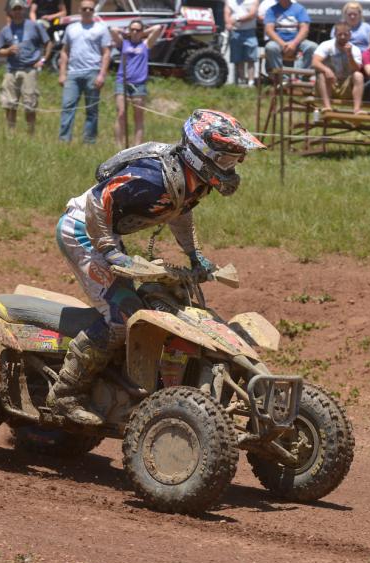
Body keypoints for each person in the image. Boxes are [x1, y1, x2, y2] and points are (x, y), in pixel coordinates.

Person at [49, 109, 265, 425]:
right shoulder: (151, 177)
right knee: (123, 316)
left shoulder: (193, 180)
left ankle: (131, 383)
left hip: (105, 231)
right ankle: (65, 395)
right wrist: (110, 252)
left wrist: (195, 256)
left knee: (164, 303)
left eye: (235, 161)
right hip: (82, 230)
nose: (232, 169)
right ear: (204, 155)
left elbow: (179, 212)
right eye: (227, 161)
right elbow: (98, 202)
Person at [58, 0, 111, 144]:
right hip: (73, 73)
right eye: (84, 8)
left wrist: (102, 74)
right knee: (67, 106)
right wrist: (62, 73)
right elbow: (64, 51)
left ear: (94, 11)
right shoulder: (71, 28)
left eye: (90, 9)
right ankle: (64, 140)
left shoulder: (101, 28)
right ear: (80, 10)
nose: (87, 11)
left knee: (91, 109)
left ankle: (89, 141)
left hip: (93, 72)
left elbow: (106, 53)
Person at [0, 0, 48, 135]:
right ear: (11, 12)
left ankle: (30, 134)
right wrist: (8, 51)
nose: (17, 11)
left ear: (24, 10)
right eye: (15, 9)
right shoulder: (5, 30)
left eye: (20, 9)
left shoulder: (34, 26)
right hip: (11, 70)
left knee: (29, 104)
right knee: (9, 104)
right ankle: (11, 134)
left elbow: (48, 43)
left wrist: (43, 60)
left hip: (29, 70)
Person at [110, 20, 163, 146]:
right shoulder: (124, 43)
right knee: (121, 113)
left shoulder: (146, 44)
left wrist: (143, 33)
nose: (134, 32)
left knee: (138, 116)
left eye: (137, 30)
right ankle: (118, 145)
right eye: (132, 29)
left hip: (139, 84)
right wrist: (126, 33)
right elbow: (112, 30)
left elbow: (158, 28)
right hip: (122, 82)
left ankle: (137, 146)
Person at [313, 22, 363, 115]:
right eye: (340, 34)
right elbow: (315, 62)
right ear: (335, 34)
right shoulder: (326, 45)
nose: (343, 37)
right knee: (321, 73)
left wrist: (349, 55)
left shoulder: (355, 49)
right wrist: (327, 70)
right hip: (329, 85)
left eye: (345, 34)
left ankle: (357, 110)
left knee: (358, 75)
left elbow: (356, 69)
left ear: (350, 35)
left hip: (345, 87)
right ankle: (327, 107)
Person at [262, 0, 316, 76]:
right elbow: (269, 30)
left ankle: (302, 76)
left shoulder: (299, 9)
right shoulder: (271, 10)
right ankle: (280, 77)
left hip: (297, 41)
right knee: (270, 47)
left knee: (312, 46)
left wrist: (294, 44)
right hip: (278, 42)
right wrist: (283, 44)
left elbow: (304, 29)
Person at [224, 0, 258, 86]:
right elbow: (226, 13)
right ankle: (241, 80)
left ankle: (251, 82)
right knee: (238, 59)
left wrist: (236, 19)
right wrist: (228, 23)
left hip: (250, 32)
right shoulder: (230, 1)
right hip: (235, 32)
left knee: (251, 58)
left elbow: (252, 14)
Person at [30, 0, 67, 68]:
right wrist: (35, 24)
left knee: (49, 42)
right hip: (39, 23)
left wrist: (51, 17)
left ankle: (43, 61)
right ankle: (36, 62)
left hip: (53, 23)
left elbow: (63, 12)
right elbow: (32, 12)